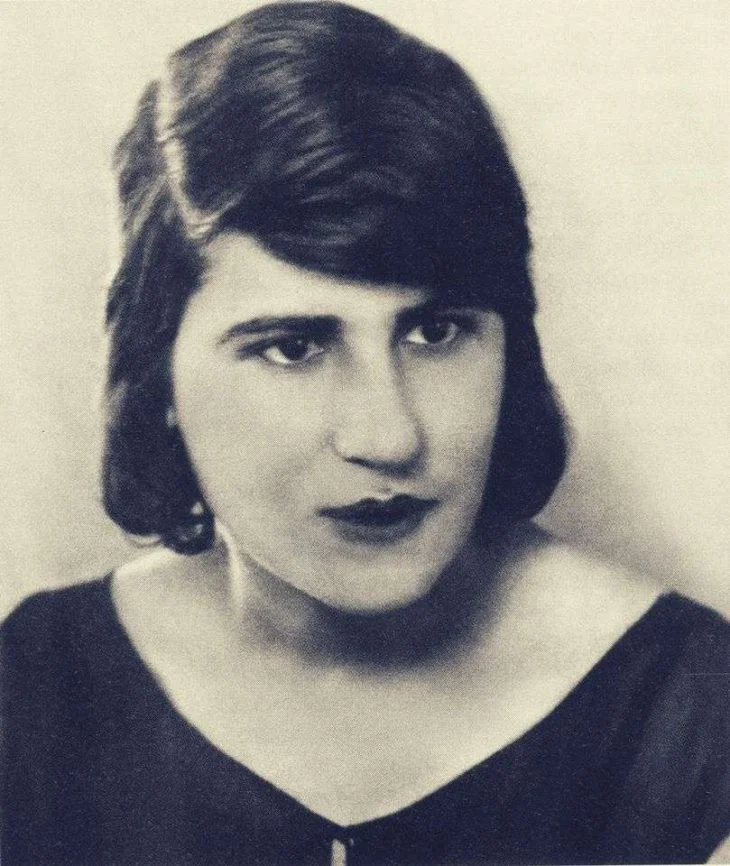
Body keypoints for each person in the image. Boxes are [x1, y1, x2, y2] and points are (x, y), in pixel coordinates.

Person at [1, 3, 728, 864]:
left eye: (435, 332)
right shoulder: (39, 688)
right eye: (294, 347)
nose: (389, 435)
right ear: (157, 373)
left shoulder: (692, 712)